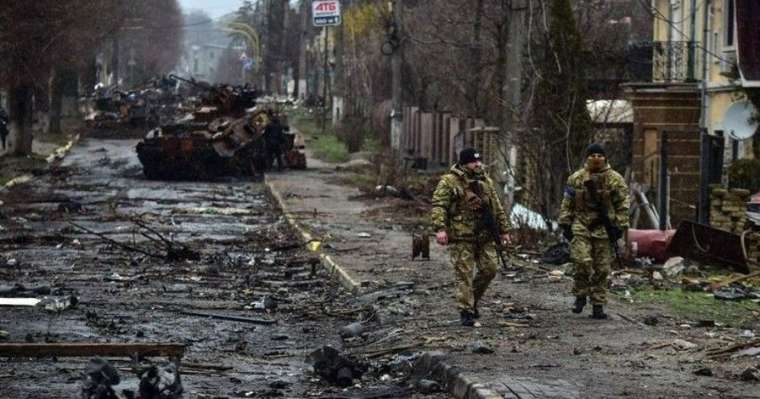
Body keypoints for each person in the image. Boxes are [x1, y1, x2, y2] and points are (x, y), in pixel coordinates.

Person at [431, 148, 511, 326]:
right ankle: (466, 311)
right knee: (464, 274)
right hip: (462, 236)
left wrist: (504, 230)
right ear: (464, 163)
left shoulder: (485, 181)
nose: (478, 164)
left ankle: (471, 300)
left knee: (490, 269)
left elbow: (496, 207)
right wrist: (440, 228)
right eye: (473, 161)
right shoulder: (450, 182)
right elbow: (439, 205)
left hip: (484, 236)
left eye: (479, 161)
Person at [558, 143, 630, 319]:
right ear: (586, 158)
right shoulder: (577, 178)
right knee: (581, 261)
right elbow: (567, 202)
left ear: (605, 158)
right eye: (592, 155)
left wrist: (619, 226)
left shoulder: (615, 179)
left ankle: (598, 304)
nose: (596, 158)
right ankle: (580, 295)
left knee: (602, 268)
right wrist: (565, 224)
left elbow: (623, 205)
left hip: (604, 229)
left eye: (599, 155)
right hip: (581, 225)